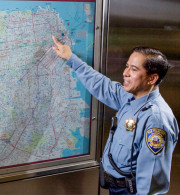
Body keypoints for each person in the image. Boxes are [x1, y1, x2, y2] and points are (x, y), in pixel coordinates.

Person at [52, 36, 179, 194]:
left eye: (134, 69)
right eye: (127, 66)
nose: (125, 73)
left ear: (152, 78)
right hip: (115, 188)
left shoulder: (156, 119)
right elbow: (102, 85)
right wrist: (71, 58)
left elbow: (152, 182)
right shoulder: (130, 97)